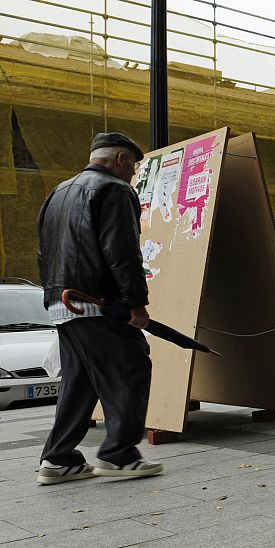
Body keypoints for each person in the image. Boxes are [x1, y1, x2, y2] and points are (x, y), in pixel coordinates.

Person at [36, 132, 163, 484]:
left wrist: (53, 296)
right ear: (121, 159)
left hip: (62, 303)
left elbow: (43, 253)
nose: (133, 175)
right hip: (98, 303)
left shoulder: (58, 192)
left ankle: (58, 459)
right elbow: (122, 251)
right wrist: (136, 303)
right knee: (130, 367)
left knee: (79, 382)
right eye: (133, 167)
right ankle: (119, 455)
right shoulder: (114, 189)